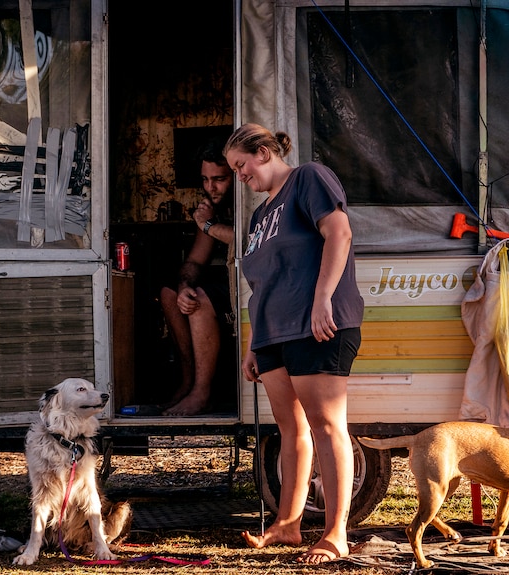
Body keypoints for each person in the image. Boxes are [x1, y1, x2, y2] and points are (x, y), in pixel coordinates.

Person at [224, 123, 364, 565]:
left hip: (315, 324)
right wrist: (252, 344)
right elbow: (259, 285)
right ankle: (288, 525)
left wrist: (323, 299)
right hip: (272, 333)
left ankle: (336, 533)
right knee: (291, 430)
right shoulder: (258, 216)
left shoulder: (309, 177)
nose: (239, 176)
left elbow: (338, 234)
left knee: (326, 426)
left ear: (264, 152)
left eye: (241, 165)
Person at [159, 140, 234, 416]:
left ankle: (203, 393)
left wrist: (209, 225)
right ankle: (189, 381)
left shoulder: (247, 202)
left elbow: (247, 240)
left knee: (201, 301)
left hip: (251, 284)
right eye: (205, 179)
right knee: (170, 293)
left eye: (219, 179)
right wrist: (183, 287)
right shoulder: (211, 208)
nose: (210, 187)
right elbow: (194, 261)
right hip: (222, 282)